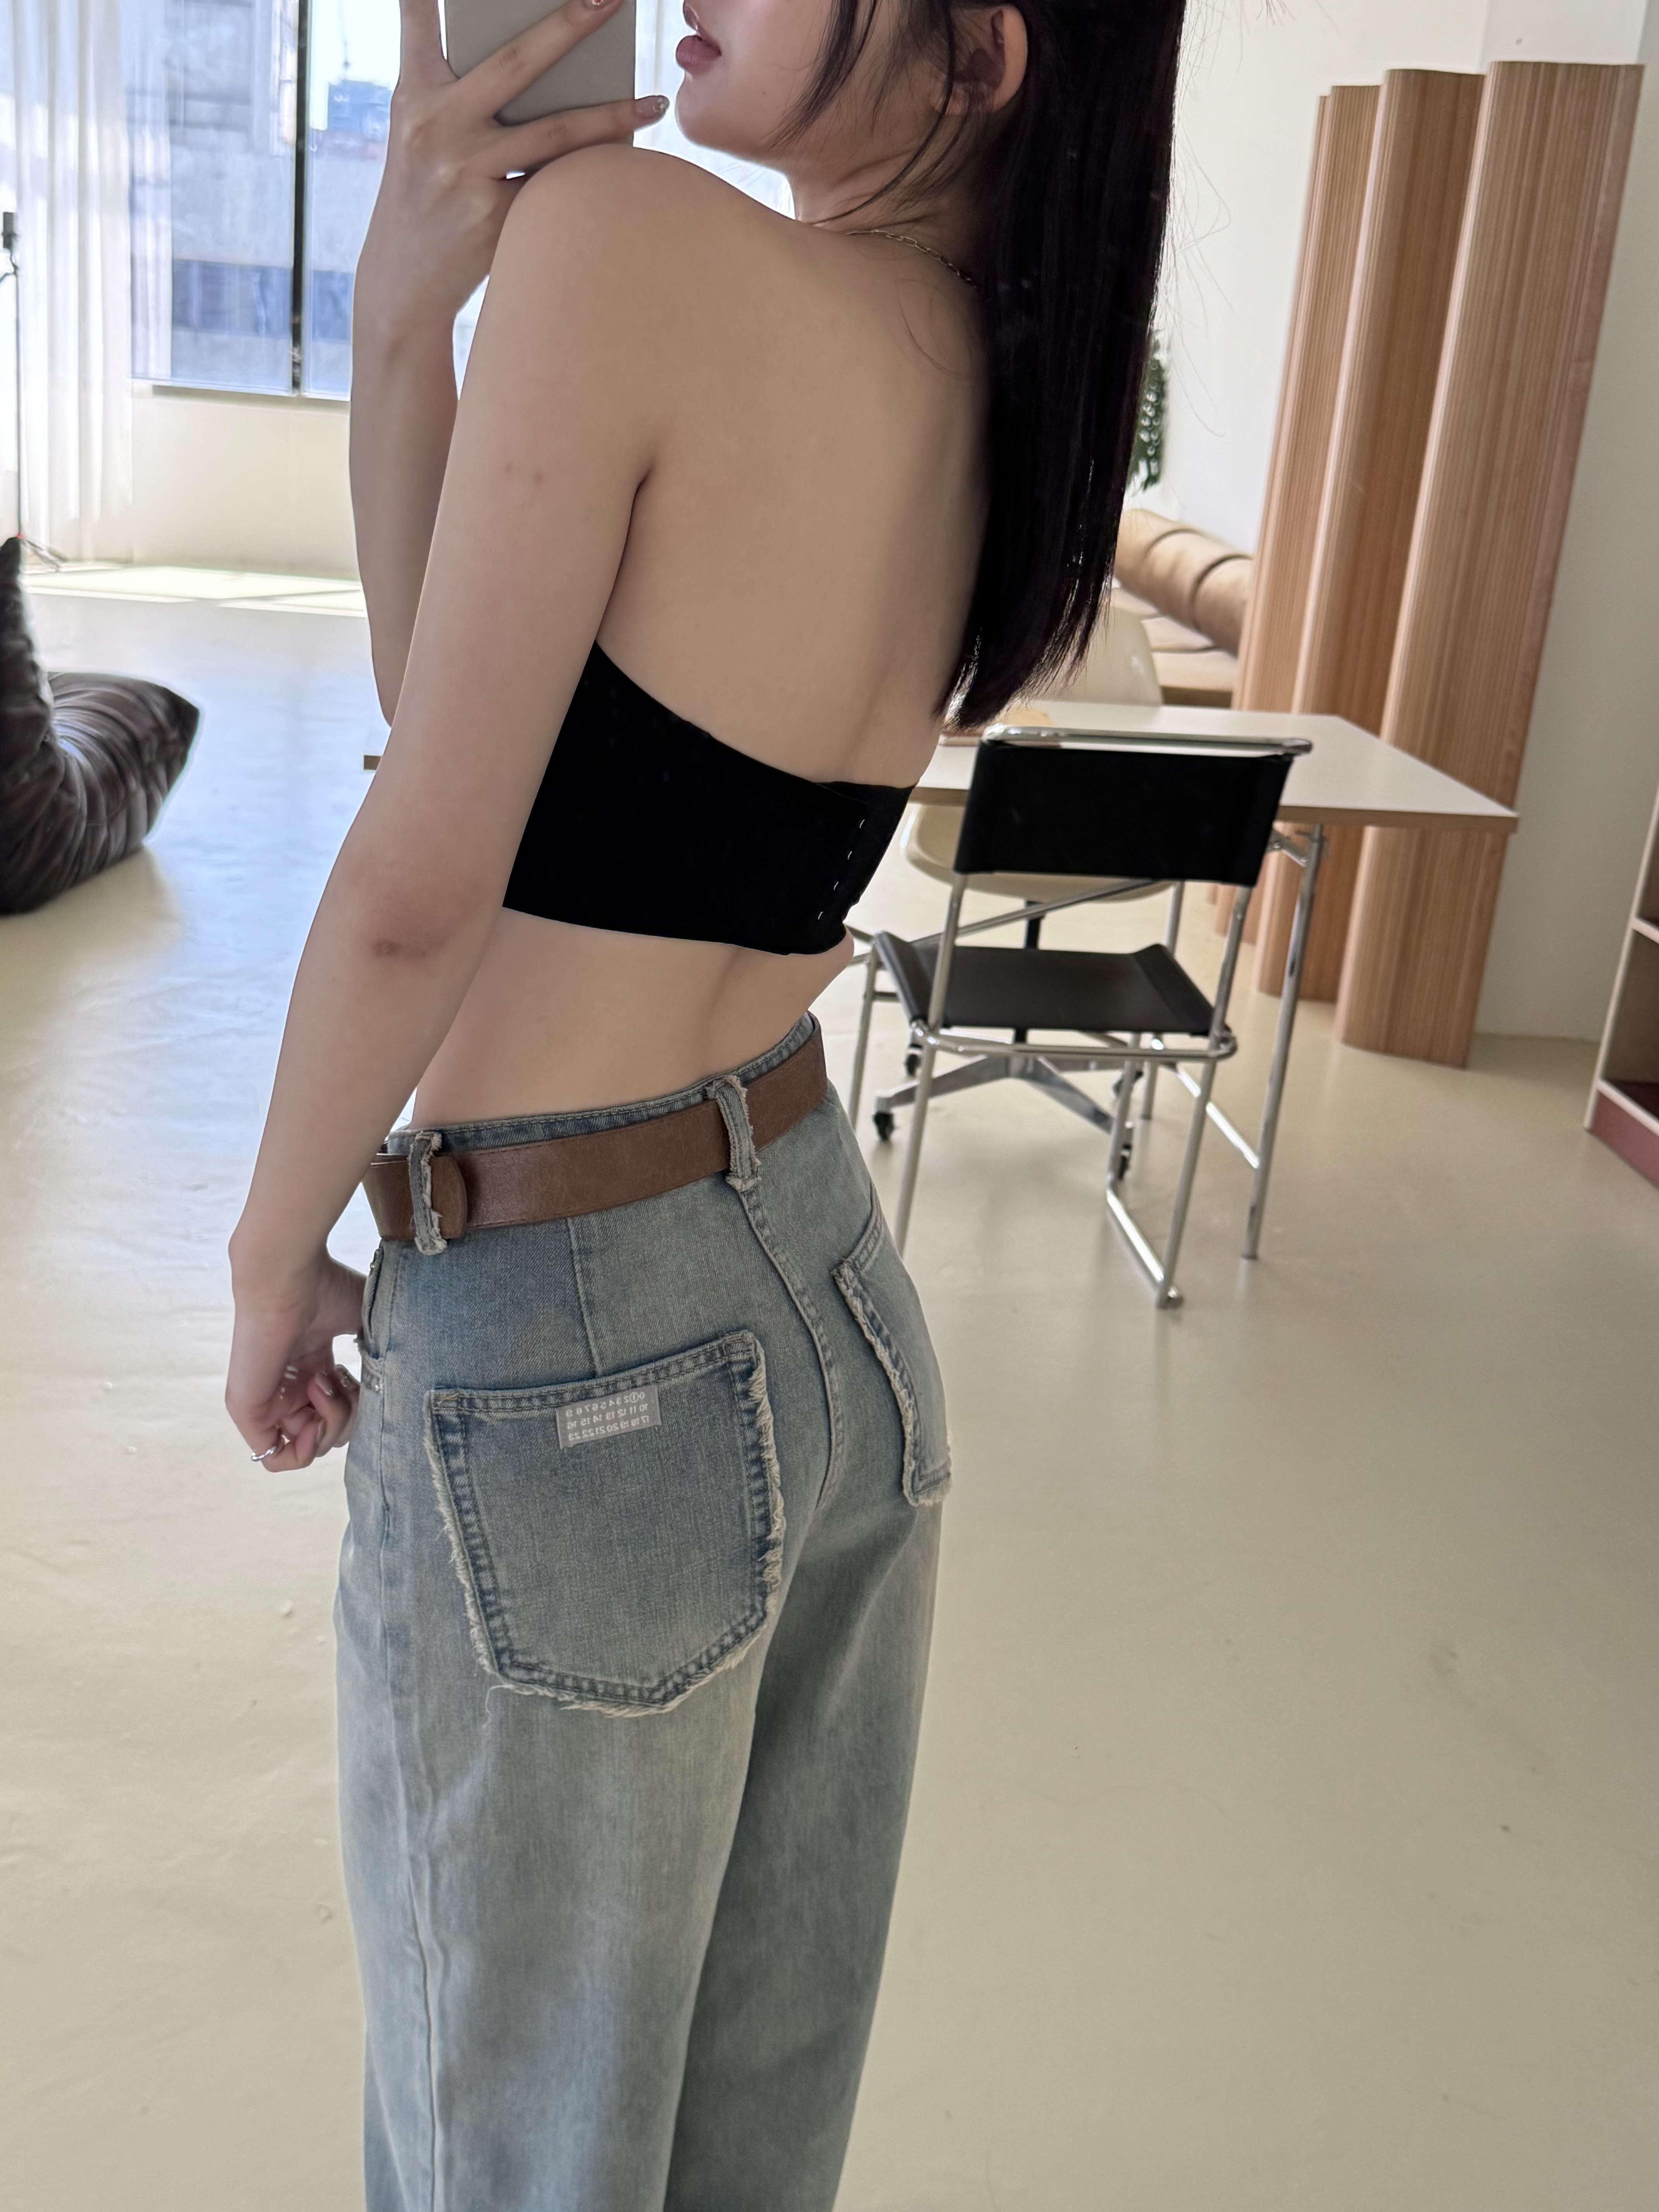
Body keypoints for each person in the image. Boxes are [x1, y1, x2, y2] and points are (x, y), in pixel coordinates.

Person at [225, 0, 1185, 2201]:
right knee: (736, 2154)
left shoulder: (635, 242)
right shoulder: (991, 382)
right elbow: (474, 737)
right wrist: (404, 327)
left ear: (977, 53)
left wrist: (275, 1252)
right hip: (820, 1293)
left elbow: (420, 885)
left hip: (577, 1342)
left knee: (510, 2155)